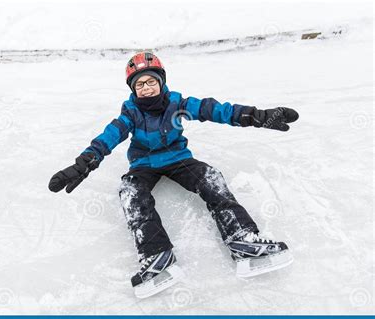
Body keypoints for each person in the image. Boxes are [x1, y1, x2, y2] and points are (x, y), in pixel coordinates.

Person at [48, 52, 298, 298]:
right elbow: (107, 139)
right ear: (133, 90)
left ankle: (242, 238)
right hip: (143, 164)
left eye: (150, 82)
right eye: (139, 85)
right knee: (131, 192)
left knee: (210, 178)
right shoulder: (130, 114)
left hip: (178, 159)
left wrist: (258, 116)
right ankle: (156, 254)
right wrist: (83, 164)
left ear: (161, 82)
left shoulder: (178, 104)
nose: (145, 88)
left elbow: (218, 110)